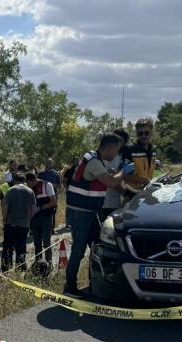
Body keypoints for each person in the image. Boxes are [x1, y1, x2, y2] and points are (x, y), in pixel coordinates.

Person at [64, 133, 137, 296]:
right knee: (79, 250)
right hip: (80, 213)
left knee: (98, 245)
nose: (117, 154)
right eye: (116, 151)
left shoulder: (97, 159)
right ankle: (69, 287)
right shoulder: (94, 162)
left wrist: (131, 191)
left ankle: (96, 284)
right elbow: (111, 182)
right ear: (109, 148)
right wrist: (123, 171)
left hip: (89, 212)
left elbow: (111, 176)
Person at [1, 172, 37, 272]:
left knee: (8, 248)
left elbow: (5, 207)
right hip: (24, 224)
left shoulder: (10, 190)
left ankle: (6, 269)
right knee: (21, 247)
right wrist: (27, 219)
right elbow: (33, 209)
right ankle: (20, 268)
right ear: (24, 181)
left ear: (14, 180)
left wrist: (4, 220)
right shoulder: (30, 191)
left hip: (10, 223)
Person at [26, 171, 57, 264]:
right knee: (37, 242)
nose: (27, 185)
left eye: (28, 183)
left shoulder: (46, 185)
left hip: (46, 217)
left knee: (46, 241)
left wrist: (39, 208)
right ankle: (38, 263)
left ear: (32, 180)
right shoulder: (28, 188)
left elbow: (54, 202)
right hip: (34, 219)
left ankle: (49, 262)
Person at [129, 118, 156, 187]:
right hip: (132, 194)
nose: (143, 136)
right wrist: (142, 181)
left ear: (151, 133)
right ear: (137, 134)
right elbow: (122, 174)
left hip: (147, 191)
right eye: (140, 133)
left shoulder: (153, 150)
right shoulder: (130, 150)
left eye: (146, 133)